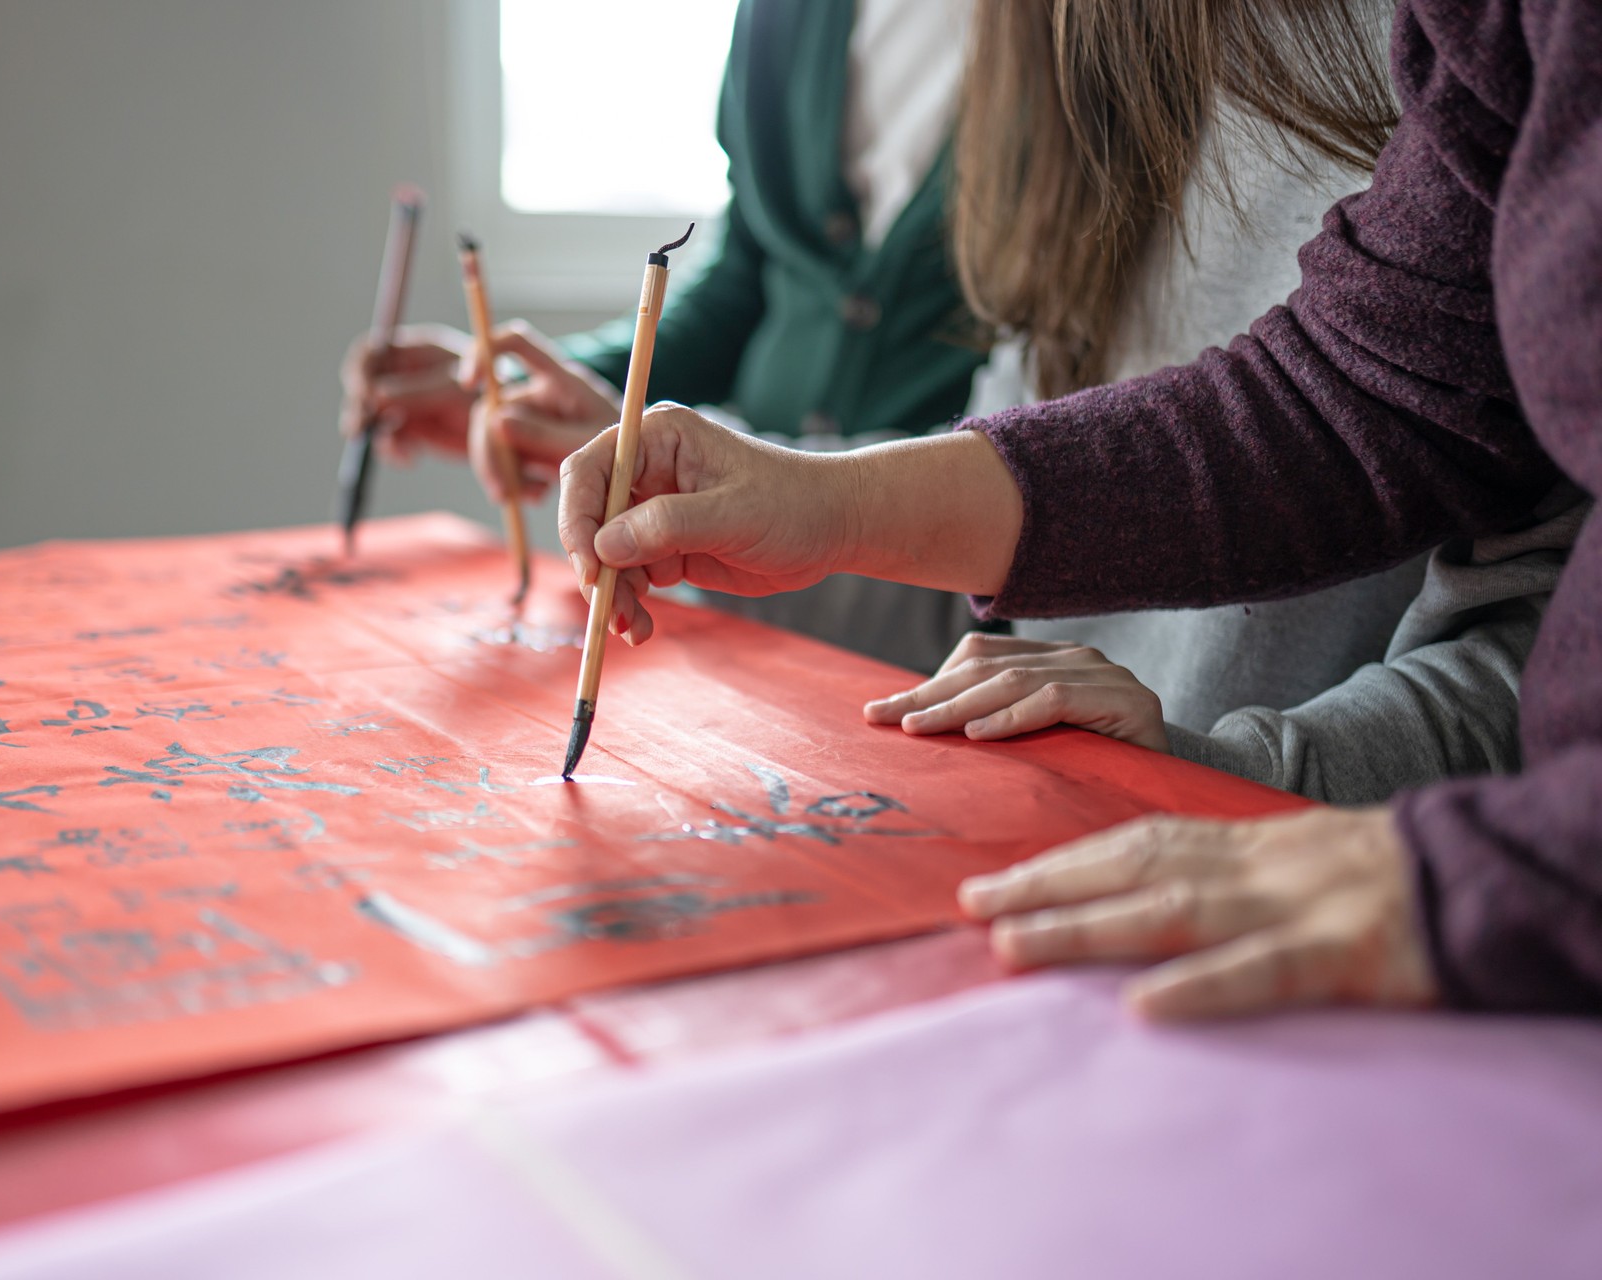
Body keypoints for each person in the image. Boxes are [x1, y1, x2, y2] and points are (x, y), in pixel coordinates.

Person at [554, 0, 1601, 1021]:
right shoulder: (1067, 77)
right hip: (1112, 859)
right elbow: (1344, 398)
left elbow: (1515, 616)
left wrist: (1240, 767)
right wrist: (820, 503)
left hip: (1343, 924)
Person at [856, 0, 1587, 804]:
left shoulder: (1462, 48)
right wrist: (798, 504)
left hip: (1320, 869)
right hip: (1076, 819)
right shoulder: (1060, 48)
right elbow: (992, 597)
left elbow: (1548, 648)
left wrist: (1226, 772)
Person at [340, 0, 986, 672]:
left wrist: (787, 485)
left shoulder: (1070, 38)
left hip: (929, 606)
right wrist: (543, 392)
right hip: (737, 614)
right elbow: (746, 286)